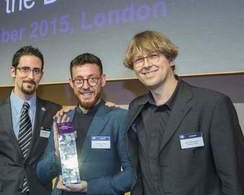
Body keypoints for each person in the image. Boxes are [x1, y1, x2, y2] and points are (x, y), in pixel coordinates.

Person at [123, 30, 244, 195]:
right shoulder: (136, 108)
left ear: (170, 59)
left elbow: (234, 178)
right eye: (139, 60)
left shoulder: (212, 105)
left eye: (153, 56)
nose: (146, 65)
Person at [0, 46, 62, 195]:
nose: (31, 76)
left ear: (41, 74)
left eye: (36, 70)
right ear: (13, 71)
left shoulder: (53, 111)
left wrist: (105, 107)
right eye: (25, 69)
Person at [36, 53, 133, 195]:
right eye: (79, 80)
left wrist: (90, 187)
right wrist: (57, 154)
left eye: (92, 79)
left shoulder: (119, 119)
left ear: (103, 80)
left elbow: (132, 174)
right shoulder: (62, 119)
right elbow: (42, 174)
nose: (86, 86)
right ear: (71, 83)